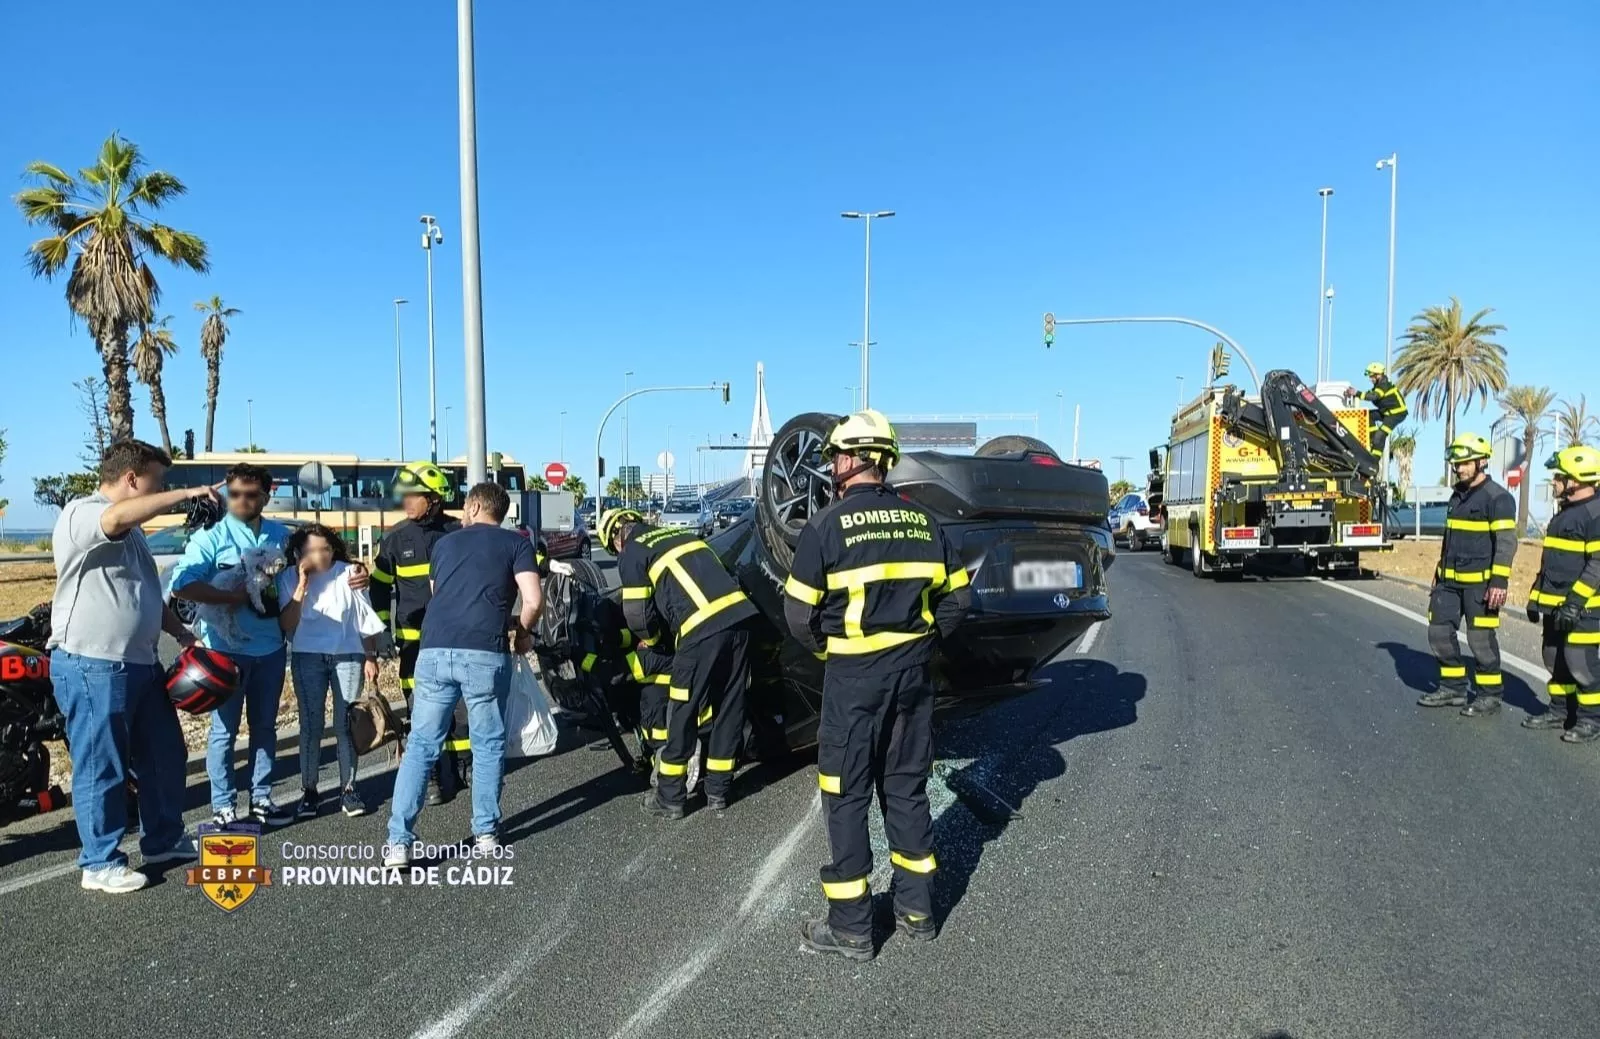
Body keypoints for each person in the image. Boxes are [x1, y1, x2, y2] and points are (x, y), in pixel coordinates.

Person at [782, 409, 972, 961]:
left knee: (845, 796)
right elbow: (958, 601)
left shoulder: (825, 526)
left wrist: (832, 646)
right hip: (913, 678)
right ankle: (917, 912)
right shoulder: (925, 522)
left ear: (847, 459)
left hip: (853, 682)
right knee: (907, 788)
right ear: (883, 460)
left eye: (835, 457)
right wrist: (922, 643)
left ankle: (852, 927)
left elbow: (798, 615)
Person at [48, 440, 216, 893]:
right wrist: (186, 495)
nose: (161, 489)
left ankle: (162, 838)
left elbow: (145, 593)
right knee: (103, 765)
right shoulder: (82, 513)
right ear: (131, 480)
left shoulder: (135, 535)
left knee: (165, 754)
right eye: (157, 481)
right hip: (92, 663)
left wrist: (179, 633)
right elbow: (116, 518)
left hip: (140, 663)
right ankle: (99, 862)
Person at [170, 462, 368, 826]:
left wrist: (357, 569)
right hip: (224, 653)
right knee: (224, 732)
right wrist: (229, 599)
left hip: (271, 650)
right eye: (234, 494)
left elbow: (324, 558)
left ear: (266, 495)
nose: (241, 500)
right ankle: (223, 805)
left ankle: (262, 798)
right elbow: (181, 584)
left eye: (250, 494)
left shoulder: (280, 535)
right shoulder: (210, 537)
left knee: (265, 728)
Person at [384, 482, 543, 865]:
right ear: (501, 512)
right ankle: (485, 831)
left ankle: (398, 843)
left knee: (421, 744)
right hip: (484, 651)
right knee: (486, 743)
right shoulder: (517, 543)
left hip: (435, 648)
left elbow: (439, 593)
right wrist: (521, 633)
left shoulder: (444, 544)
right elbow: (534, 599)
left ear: (473, 506)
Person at [601, 504, 756, 819]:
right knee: (729, 704)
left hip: (701, 630)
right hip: (739, 621)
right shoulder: (683, 535)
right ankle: (718, 791)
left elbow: (637, 616)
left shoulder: (634, 550)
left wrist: (656, 643)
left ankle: (670, 796)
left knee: (683, 709)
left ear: (616, 538)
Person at [278, 523, 386, 818]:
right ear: (299, 552)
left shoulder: (350, 573)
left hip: (347, 655)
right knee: (311, 727)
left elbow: (365, 615)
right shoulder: (288, 577)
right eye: (312, 550)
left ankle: (349, 790)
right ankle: (309, 791)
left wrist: (370, 655)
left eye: (325, 549)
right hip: (306, 657)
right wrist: (301, 584)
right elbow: (287, 624)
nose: (320, 556)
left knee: (345, 725)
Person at [370, 461, 461, 804]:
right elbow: (378, 589)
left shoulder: (458, 532)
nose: (406, 502)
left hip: (455, 638)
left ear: (434, 499)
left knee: (460, 707)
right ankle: (435, 773)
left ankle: (463, 767)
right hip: (413, 642)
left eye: (414, 496)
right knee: (421, 710)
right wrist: (380, 631)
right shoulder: (395, 538)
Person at [1419, 433, 1518, 716]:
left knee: (1480, 642)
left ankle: (1489, 696)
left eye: (1464, 463)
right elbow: (1450, 539)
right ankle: (1453, 688)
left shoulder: (1498, 498)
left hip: (1481, 586)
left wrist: (1499, 581)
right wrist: (1439, 572)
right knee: (1438, 633)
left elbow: (1506, 542)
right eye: (1456, 463)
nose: (1458, 468)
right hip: (1449, 583)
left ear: (1482, 461)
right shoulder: (1456, 496)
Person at [1523, 446, 1600, 741]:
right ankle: (1560, 711)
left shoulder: (1595, 514)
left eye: (1559, 476)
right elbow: (1552, 562)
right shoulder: (1564, 514)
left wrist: (1575, 604)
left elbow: (1597, 565)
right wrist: (1535, 596)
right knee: (1553, 658)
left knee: (1581, 662)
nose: (1554, 481)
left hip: (1585, 609)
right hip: (1555, 607)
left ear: (1577, 479)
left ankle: (1591, 720)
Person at [1349, 362, 1409, 453]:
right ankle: (1373, 439)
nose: (1370, 379)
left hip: (1397, 414)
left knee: (1380, 435)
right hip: (1386, 412)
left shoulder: (1383, 386)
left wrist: (1357, 393)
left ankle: (1374, 460)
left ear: (1378, 375)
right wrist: (1354, 394)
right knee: (1367, 416)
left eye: (1371, 376)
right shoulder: (1378, 386)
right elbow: (1369, 394)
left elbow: (1373, 396)